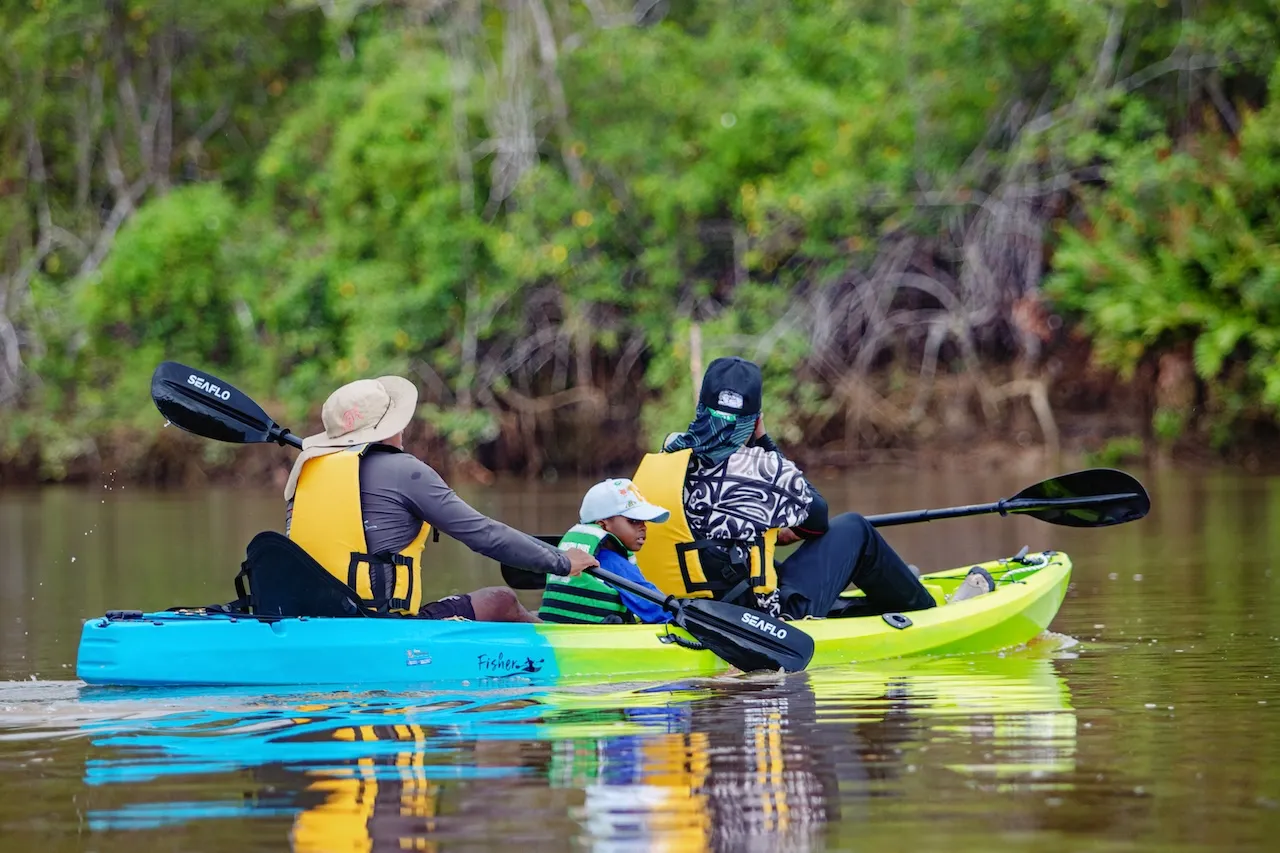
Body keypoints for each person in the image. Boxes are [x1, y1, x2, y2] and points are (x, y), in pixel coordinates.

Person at [631, 356, 943, 621]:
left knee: (774, 569)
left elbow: (706, 536)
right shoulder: (762, 467)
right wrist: (764, 441)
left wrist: (768, 533)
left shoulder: (665, 456)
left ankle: (886, 599)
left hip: (685, 609)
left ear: (701, 408)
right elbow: (817, 520)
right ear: (754, 421)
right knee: (855, 529)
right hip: (761, 619)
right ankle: (929, 613)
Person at [283, 375, 598, 621]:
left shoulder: (307, 472)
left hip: (313, 616)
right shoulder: (404, 471)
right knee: (501, 600)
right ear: (390, 425)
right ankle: (564, 646)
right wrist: (561, 561)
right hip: (382, 624)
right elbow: (484, 535)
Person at [539, 478, 675, 624]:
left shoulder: (575, 553)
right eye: (633, 521)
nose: (643, 527)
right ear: (603, 525)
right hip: (590, 640)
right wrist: (681, 617)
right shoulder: (611, 562)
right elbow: (655, 608)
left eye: (644, 521)